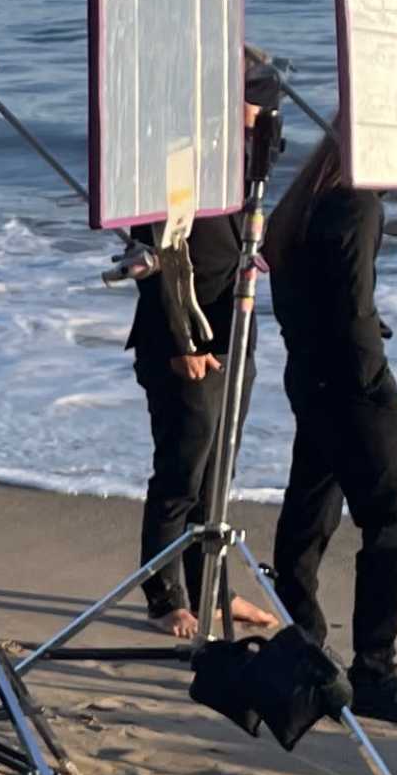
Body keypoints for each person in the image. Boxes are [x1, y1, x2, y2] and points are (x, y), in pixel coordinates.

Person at [261, 126, 397, 725]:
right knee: (394, 524)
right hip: (350, 386)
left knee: (312, 506)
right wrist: (379, 390)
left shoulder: (303, 198)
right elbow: (351, 308)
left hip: (309, 374)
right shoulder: (357, 205)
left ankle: (302, 637)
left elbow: (317, 297)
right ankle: (375, 670)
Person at [123, 58, 287, 637]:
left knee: (220, 469)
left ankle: (214, 586)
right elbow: (158, 252)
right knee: (182, 470)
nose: (264, 111)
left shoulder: (241, 160)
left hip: (235, 325)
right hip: (181, 335)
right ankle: (164, 595)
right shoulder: (178, 155)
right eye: (256, 98)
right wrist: (181, 339)